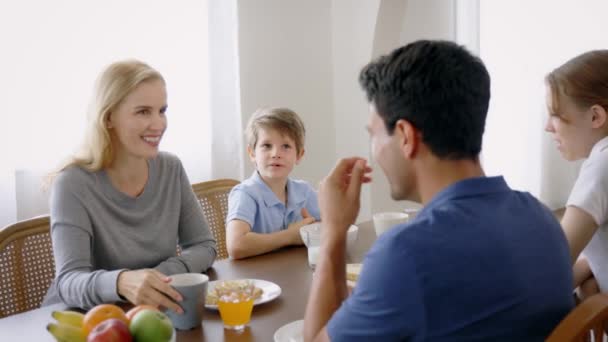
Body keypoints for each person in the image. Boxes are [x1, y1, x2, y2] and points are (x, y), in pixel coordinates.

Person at [304, 40, 574, 341]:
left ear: (405, 136)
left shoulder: (405, 253)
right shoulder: (541, 218)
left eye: (374, 135)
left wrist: (333, 232)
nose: (374, 152)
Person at [43, 60, 217, 312]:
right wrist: (122, 281)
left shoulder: (171, 168)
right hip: (84, 320)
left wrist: (157, 277)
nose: (158, 124)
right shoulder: (71, 183)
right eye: (143, 111)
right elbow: (69, 281)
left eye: (162, 110)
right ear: (109, 116)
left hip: (151, 311)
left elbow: (204, 246)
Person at [545, 50, 608, 301]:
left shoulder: (602, 163)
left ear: (596, 116)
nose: (548, 127)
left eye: (556, 115)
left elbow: (552, 265)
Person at [226, 107, 320, 259]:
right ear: (252, 153)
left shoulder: (303, 191)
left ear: (299, 155)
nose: (276, 154)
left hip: (291, 272)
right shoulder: (245, 194)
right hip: (255, 279)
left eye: (286, 146)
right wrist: (291, 236)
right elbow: (236, 245)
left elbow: (333, 225)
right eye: (267, 146)